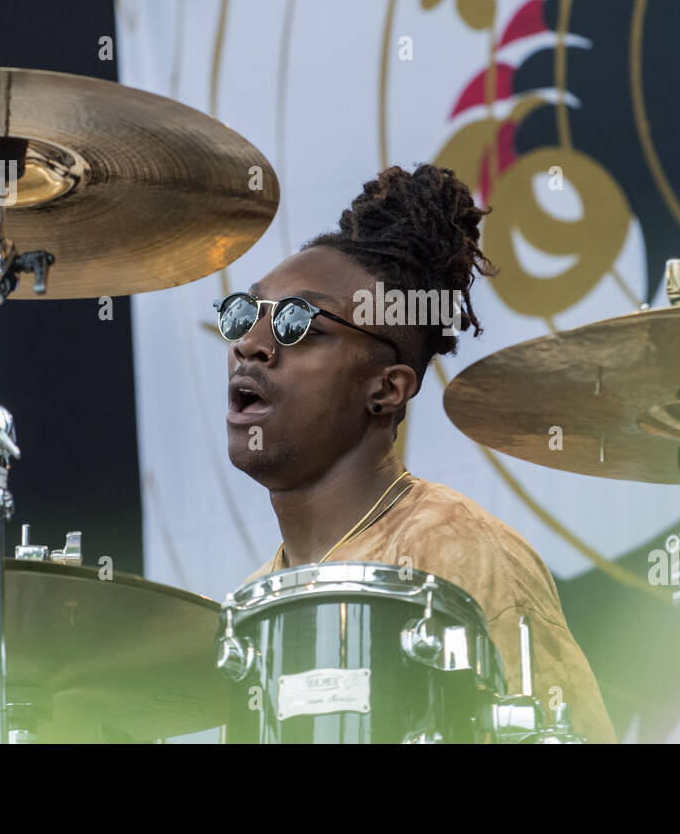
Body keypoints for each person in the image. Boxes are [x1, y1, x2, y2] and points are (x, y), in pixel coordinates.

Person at [218, 163, 615, 743]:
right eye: (245, 314)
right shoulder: (255, 600)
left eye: (299, 323)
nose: (252, 344)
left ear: (387, 388)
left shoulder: (461, 553)